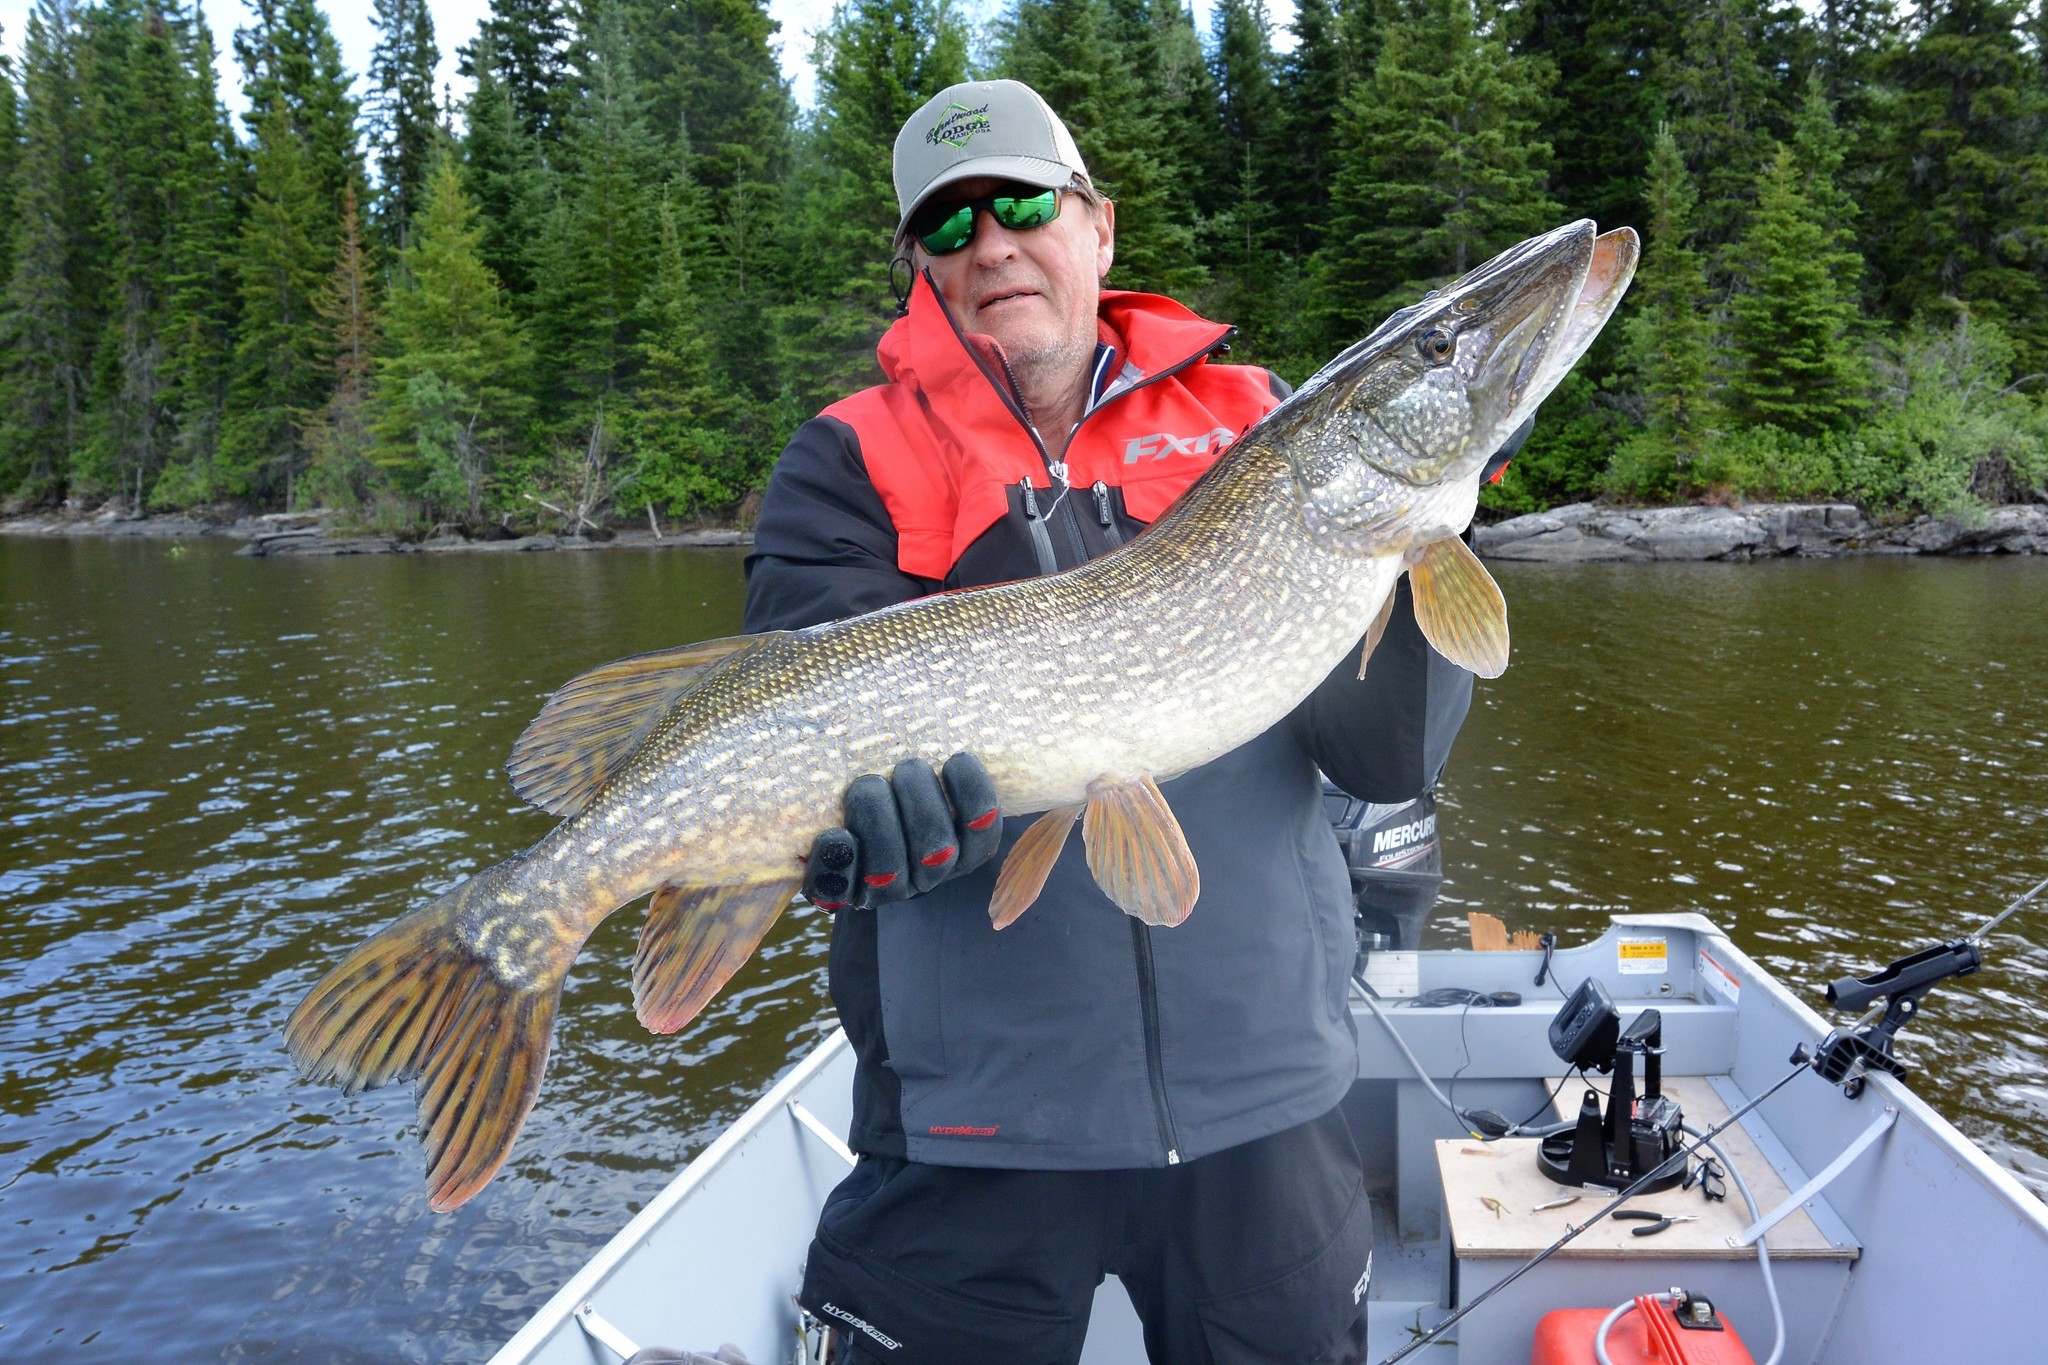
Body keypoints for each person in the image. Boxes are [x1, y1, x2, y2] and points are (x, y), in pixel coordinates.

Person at [742, 79, 1524, 1365]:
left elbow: (1381, 758)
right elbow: (804, 728)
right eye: (947, 226)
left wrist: (1434, 517)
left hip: (1262, 1112)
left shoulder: (1258, 424)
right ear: (921, 271)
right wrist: (895, 835)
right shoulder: (847, 457)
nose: (989, 241)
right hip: (966, 1128)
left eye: (1021, 202)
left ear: (1095, 227)